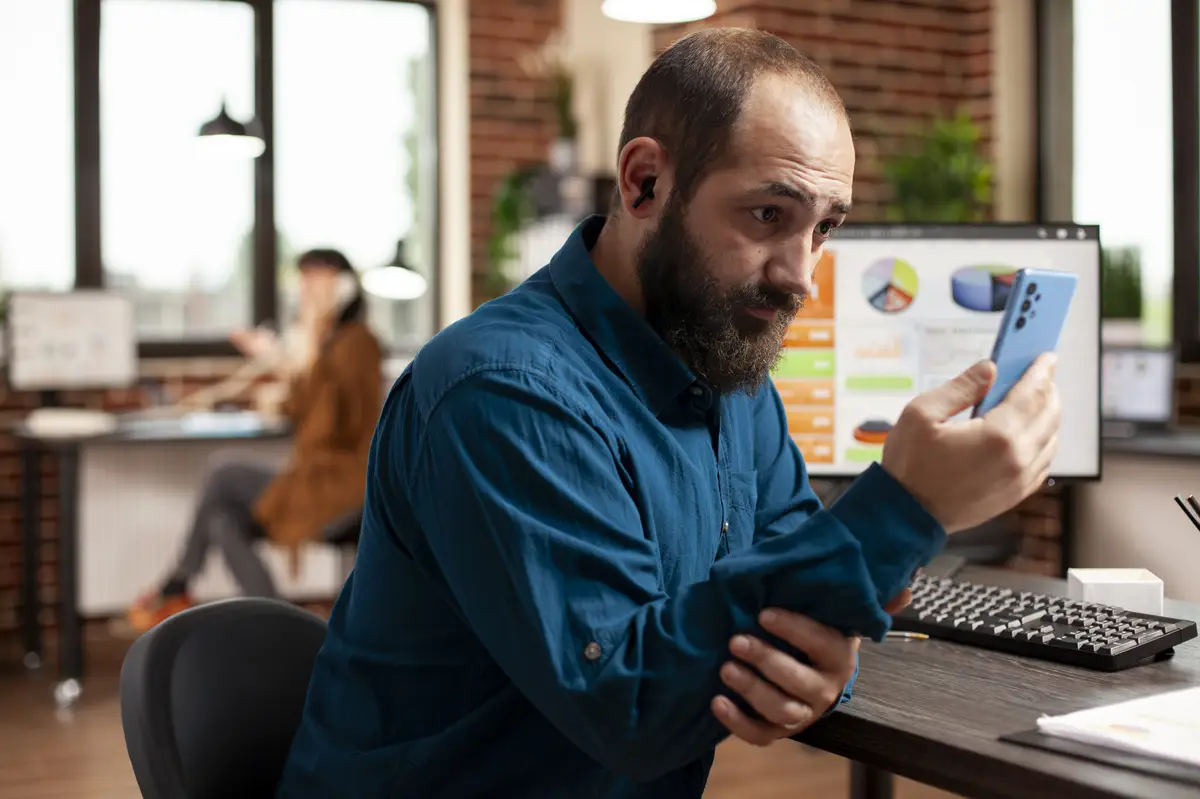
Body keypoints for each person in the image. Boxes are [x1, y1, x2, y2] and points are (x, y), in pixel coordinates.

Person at [276, 29, 1061, 799]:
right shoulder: (502, 389)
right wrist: (909, 503)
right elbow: (631, 702)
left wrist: (824, 656)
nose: (801, 276)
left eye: (824, 227)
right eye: (767, 216)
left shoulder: (727, 366)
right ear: (644, 182)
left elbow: (801, 585)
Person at [126, 248, 383, 633]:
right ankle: (278, 625)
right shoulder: (327, 343)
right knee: (222, 519)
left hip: (341, 485)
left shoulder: (358, 343)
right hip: (314, 476)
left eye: (317, 282)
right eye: (304, 282)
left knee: (224, 470)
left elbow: (334, 421)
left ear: (343, 287)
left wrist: (304, 352)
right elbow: (303, 405)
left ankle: (178, 582)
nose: (307, 292)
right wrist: (289, 357)